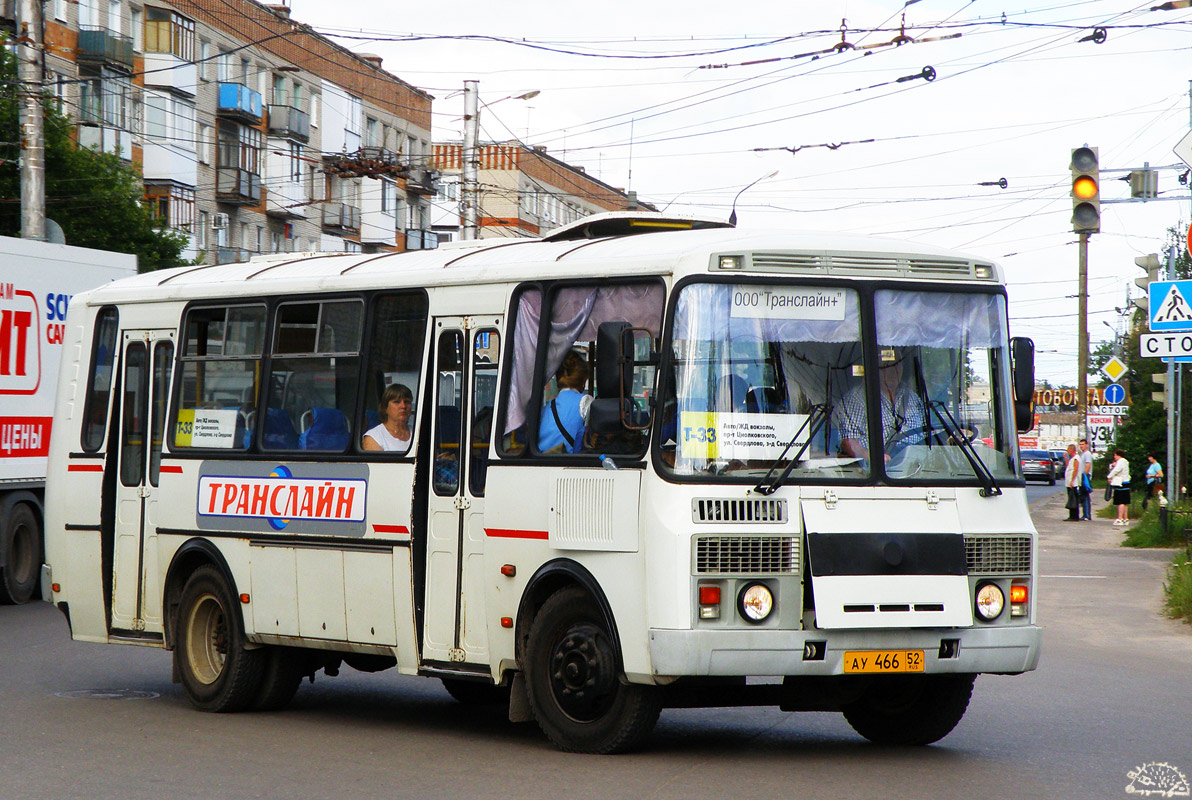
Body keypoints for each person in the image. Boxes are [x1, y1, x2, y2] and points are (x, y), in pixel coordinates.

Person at [836, 347, 927, 462]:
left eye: (897, 365)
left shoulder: (912, 397)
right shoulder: (856, 399)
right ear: (875, 368)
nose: (892, 371)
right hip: (882, 468)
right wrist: (871, 457)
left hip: (917, 465)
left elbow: (927, 432)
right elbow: (848, 441)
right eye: (886, 366)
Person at [538, 350, 592, 454]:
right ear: (583, 380)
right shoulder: (586, 402)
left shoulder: (546, 408)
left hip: (543, 462)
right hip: (568, 462)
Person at [362, 383, 414, 453]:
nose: (403, 406)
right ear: (385, 408)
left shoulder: (417, 433)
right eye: (397, 402)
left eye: (407, 402)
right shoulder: (374, 437)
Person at [1107, 448, 1131, 525]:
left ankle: (1119, 518)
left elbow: (1116, 470)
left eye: (1115, 455)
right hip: (1126, 481)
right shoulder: (1125, 462)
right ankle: (1125, 518)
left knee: (1120, 501)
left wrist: (1109, 476)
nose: (1114, 457)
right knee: (1125, 502)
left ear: (1118, 455)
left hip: (1121, 482)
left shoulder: (1120, 462)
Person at [1063, 443, 1081, 521]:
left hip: (1074, 482)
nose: (1067, 451)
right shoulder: (1072, 458)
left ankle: (1074, 516)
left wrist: (1072, 481)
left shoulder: (1076, 458)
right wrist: (1066, 458)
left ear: (1072, 450)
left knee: (1073, 499)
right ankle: (1071, 515)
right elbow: (1068, 467)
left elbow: (1075, 470)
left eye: (1068, 449)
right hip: (1069, 482)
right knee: (1071, 499)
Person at [1078, 438, 1094, 521]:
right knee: (1083, 496)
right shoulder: (1082, 454)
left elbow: (1088, 465)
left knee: (1085, 496)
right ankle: (1085, 514)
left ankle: (1087, 515)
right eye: (1080, 444)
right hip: (1083, 476)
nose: (1081, 446)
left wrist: (1084, 476)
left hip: (1085, 477)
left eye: (1083, 444)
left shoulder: (1087, 454)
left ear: (1087, 445)